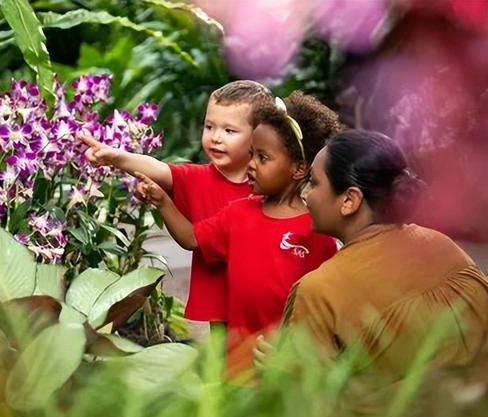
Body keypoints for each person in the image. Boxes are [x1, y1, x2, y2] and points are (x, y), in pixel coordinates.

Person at [135, 91, 342, 380]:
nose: (252, 164)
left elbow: (326, 312)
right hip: (235, 372)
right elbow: (192, 239)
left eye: (263, 157)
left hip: (286, 371)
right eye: (252, 154)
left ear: (298, 169)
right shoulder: (238, 213)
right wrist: (162, 201)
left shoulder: (317, 233)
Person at [256, 129, 488, 380]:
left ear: (349, 200)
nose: (304, 194)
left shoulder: (318, 291)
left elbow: (309, 409)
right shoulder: (443, 246)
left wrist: (282, 372)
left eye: (313, 182)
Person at [79, 81, 275, 332]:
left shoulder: (272, 184)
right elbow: (159, 169)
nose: (215, 137)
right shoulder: (198, 178)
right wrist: (116, 157)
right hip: (221, 298)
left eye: (229, 131)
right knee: (221, 360)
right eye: (209, 126)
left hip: (266, 295)